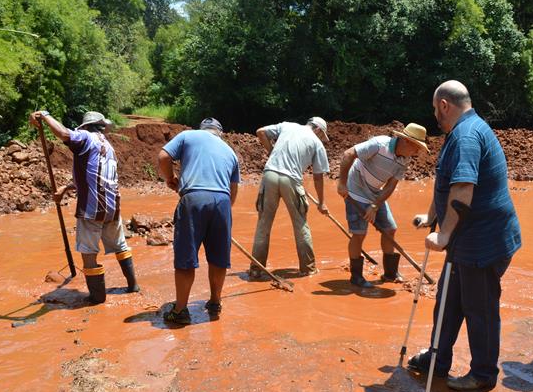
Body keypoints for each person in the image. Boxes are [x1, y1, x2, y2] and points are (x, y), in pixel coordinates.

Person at [408, 80, 522, 391]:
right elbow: (446, 183)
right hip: (469, 241)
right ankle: (437, 359)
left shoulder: (466, 136)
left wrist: (443, 234)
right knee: (448, 300)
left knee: (479, 309)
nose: (435, 116)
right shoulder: (462, 131)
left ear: (444, 105)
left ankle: (483, 375)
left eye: (435, 110)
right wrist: (431, 216)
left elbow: (463, 188)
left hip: (482, 243)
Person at [30, 110, 139, 304]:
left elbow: (64, 134)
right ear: (101, 126)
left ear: (86, 126)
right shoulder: (108, 146)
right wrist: (65, 188)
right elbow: (95, 176)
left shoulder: (86, 137)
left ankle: (96, 299)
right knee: (120, 245)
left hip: (92, 208)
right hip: (112, 206)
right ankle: (133, 286)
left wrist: (45, 115)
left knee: (88, 252)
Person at [157, 118, 240, 324]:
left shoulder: (188, 135)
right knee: (219, 257)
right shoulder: (230, 151)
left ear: (202, 129)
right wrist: (221, 215)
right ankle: (215, 302)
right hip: (222, 201)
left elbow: (163, 157)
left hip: (194, 198)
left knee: (186, 256)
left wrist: (170, 179)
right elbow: (233, 191)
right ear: (219, 133)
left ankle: (180, 311)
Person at [336, 123, 428, 287]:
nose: (417, 152)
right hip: (355, 190)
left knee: (390, 229)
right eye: (417, 147)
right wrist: (342, 184)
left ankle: (390, 273)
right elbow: (348, 154)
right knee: (359, 233)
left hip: (375, 194)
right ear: (406, 141)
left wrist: (375, 206)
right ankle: (356, 277)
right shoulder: (379, 144)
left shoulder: (404, 159)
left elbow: (391, 185)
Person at [250, 117, 330, 278]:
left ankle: (256, 269)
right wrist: (321, 203)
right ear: (319, 130)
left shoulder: (287, 126)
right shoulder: (316, 143)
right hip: (292, 179)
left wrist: (271, 152)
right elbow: (318, 177)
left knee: (263, 224)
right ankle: (308, 268)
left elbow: (261, 132)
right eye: (322, 135)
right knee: (300, 224)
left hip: (270, 175)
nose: (322, 138)